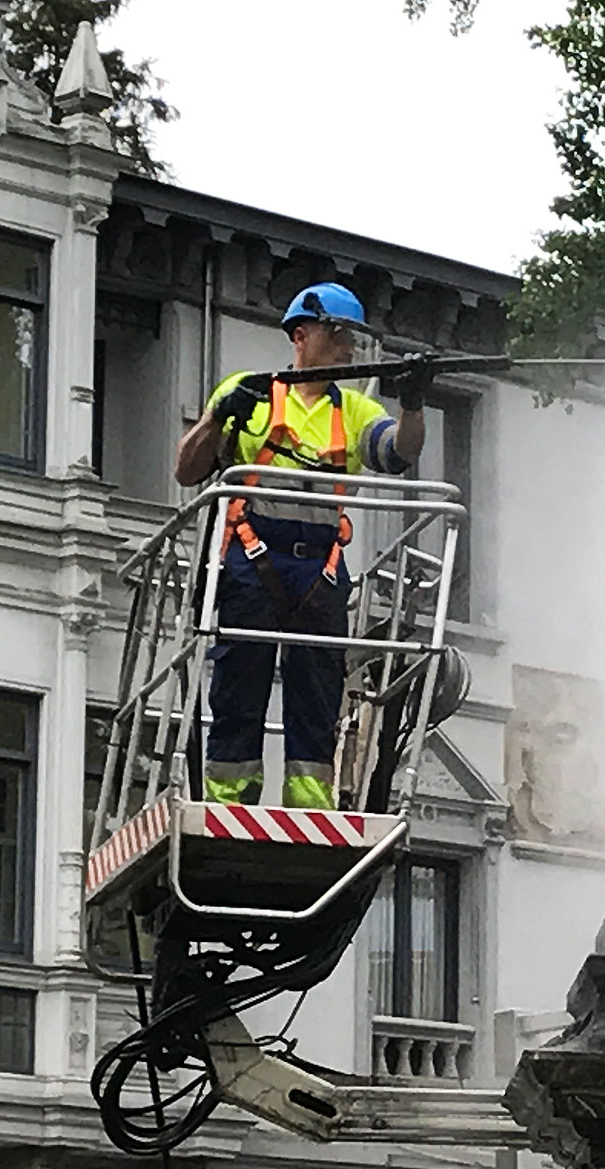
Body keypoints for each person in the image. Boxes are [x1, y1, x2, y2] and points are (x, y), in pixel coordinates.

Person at [174, 282, 428, 809]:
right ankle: (230, 800)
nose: (347, 347)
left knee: (317, 690)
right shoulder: (248, 392)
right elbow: (187, 468)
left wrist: (414, 403)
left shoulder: (354, 411)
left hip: (320, 568)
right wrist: (220, 418)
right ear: (300, 334)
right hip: (252, 558)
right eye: (336, 333)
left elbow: (397, 452)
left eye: (352, 338)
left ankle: (311, 802)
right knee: (239, 682)